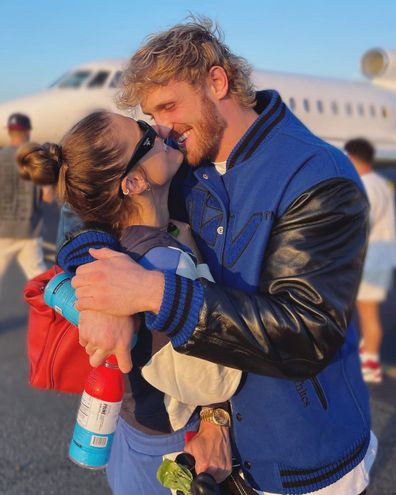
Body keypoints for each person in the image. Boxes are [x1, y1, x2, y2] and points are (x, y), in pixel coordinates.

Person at [68, 18, 377, 495]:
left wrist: (154, 292)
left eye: (170, 107)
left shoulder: (318, 176)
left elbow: (306, 332)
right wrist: (99, 296)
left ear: (217, 82)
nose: (165, 130)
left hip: (306, 461)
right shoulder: (184, 171)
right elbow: (96, 214)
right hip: (218, 454)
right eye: (155, 117)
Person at [17, 111, 242, 494]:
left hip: (130, 428)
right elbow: (212, 381)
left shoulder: (119, 244)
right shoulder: (165, 263)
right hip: (166, 445)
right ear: (134, 182)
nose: (159, 130)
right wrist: (196, 261)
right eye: (145, 135)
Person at [345, 138, 396, 383]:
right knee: (365, 313)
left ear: (355, 158)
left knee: (367, 314)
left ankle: (371, 364)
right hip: (379, 260)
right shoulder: (380, 183)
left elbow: (361, 225)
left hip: (370, 261)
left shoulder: (364, 185)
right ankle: (367, 356)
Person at [0, 113, 54, 300]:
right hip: (29, 230)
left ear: (10, 132)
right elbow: (47, 197)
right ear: (27, 132)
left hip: (3, 231)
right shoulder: (34, 159)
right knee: (40, 283)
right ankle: (49, 320)